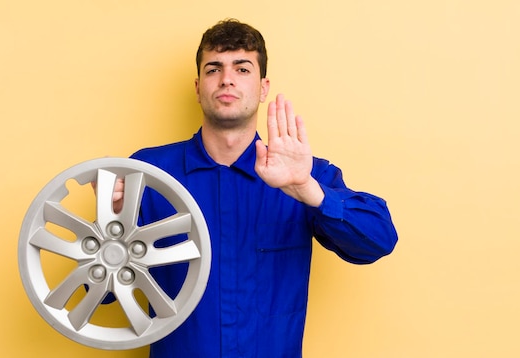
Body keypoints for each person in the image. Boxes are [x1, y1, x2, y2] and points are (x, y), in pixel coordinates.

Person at [117, 19, 398, 358]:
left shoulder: (301, 174)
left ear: (264, 88)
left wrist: (309, 189)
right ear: (197, 86)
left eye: (242, 68)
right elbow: (103, 292)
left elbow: (379, 239)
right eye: (213, 69)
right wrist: (112, 228)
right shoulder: (149, 174)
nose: (227, 79)